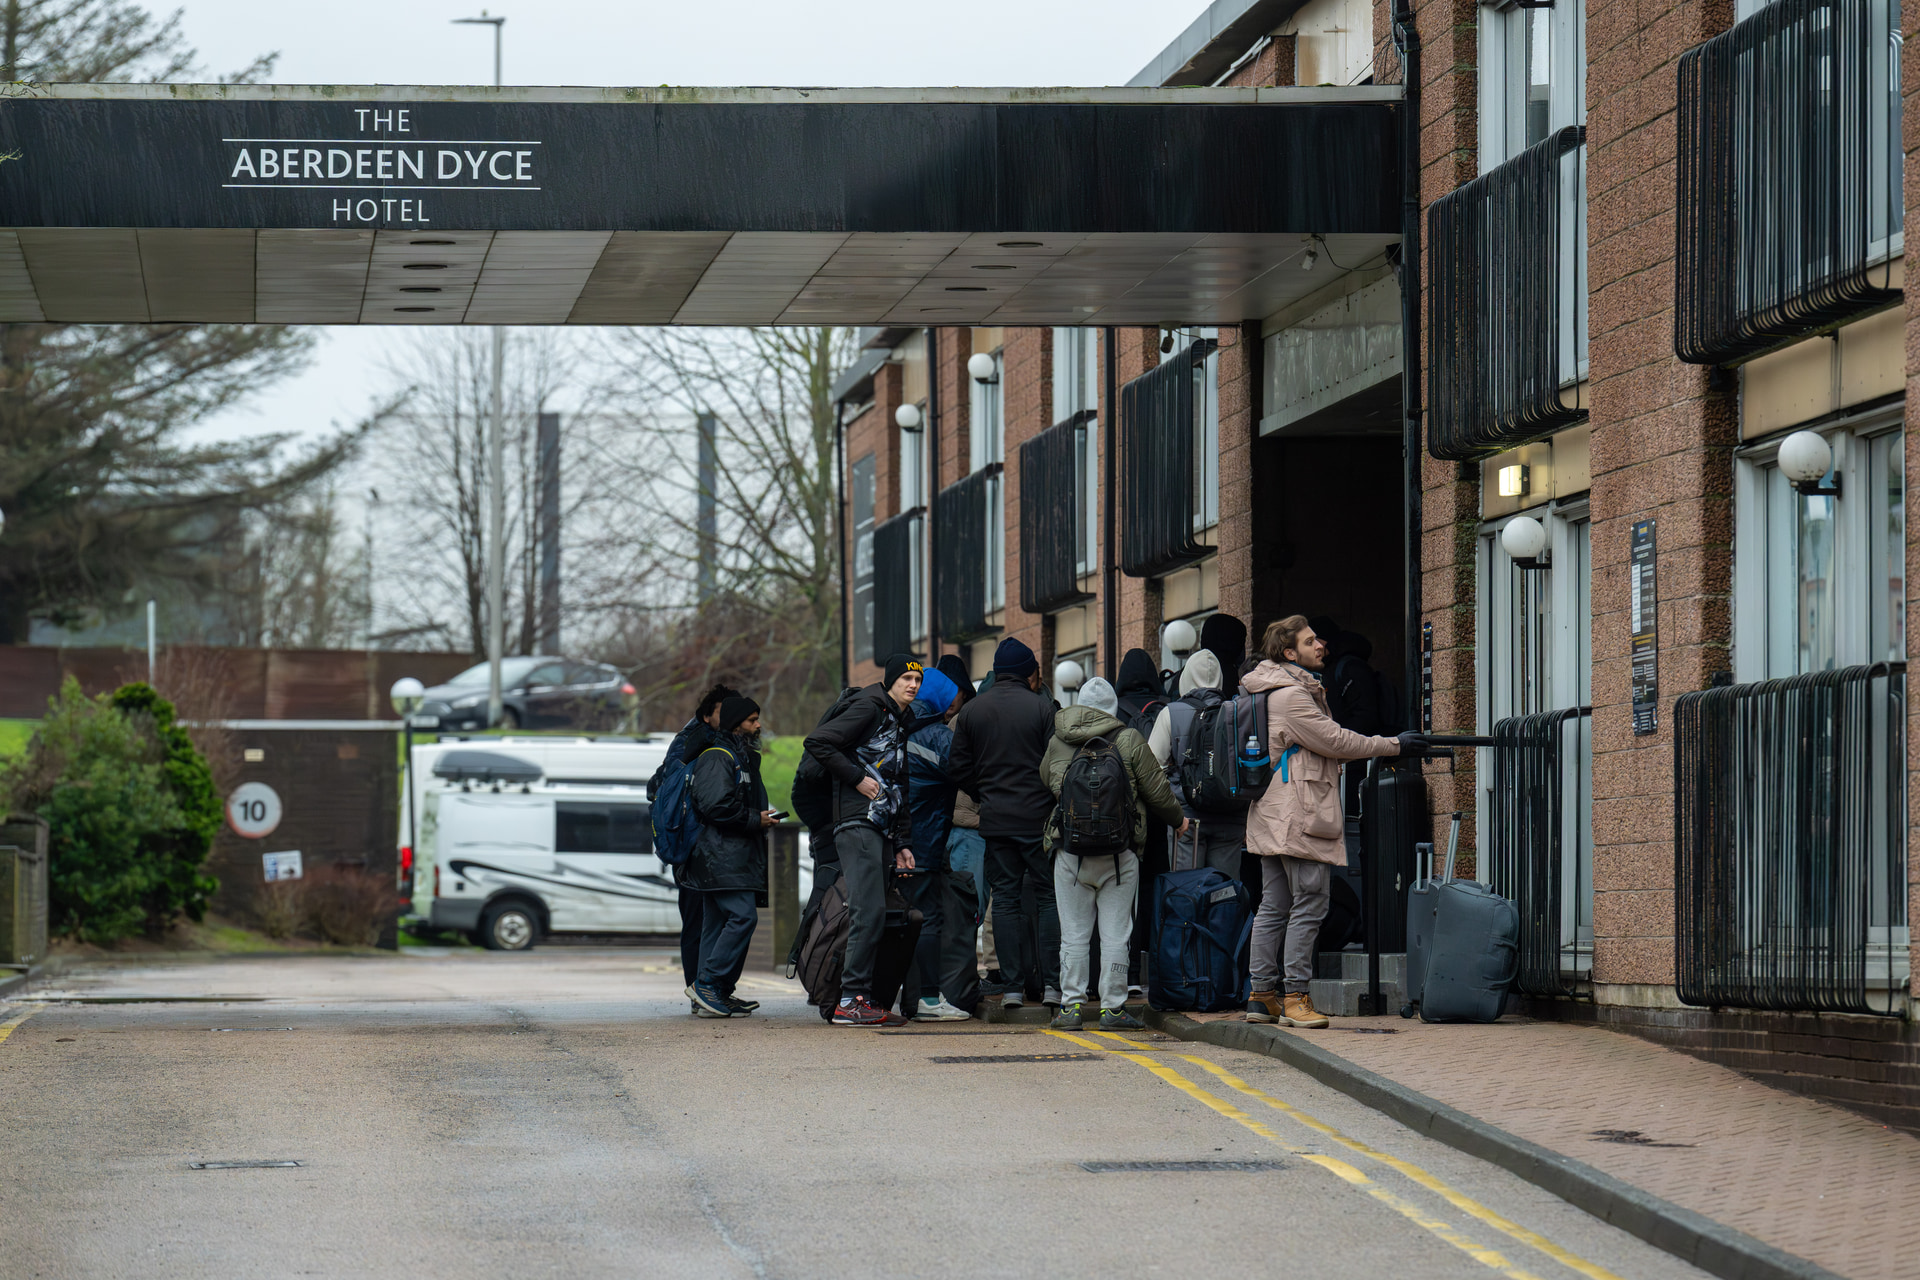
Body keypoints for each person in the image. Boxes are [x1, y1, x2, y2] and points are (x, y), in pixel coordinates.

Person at [1240, 617, 1415, 1028]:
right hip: (1298, 813)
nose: (1321, 645)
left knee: (1275, 905)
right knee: (1310, 902)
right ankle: (1296, 996)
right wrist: (1394, 745)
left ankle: (1262, 996)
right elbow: (1335, 740)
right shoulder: (1290, 697)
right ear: (1289, 653)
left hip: (1274, 810)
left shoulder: (1271, 689)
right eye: (1309, 641)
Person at [1039, 676, 1187, 1031]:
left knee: (1073, 933)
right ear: (1112, 708)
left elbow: (1046, 778)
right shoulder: (1128, 739)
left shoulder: (1059, 740)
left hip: (1071, 853)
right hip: (1120, 854)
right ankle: (1113, 1009)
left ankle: (1071, 1007)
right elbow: (1157, 791)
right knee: (1116, 933)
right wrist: (1178, 821)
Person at [803, 653, 920, 1026]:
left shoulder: (899, 720)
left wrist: (902, 841)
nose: (913, 686)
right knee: (866, 911)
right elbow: (818, 742)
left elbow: (898, 784)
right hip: (857, 822)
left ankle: (858, 998)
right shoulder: (868, 707)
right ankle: (851, 1001)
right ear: (890, 682)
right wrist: (855, 777)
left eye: (917, 681)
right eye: (905, 679)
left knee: (873, 912)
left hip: (880, 827)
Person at [948, 636, 1060, 1009]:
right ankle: (1052, 986)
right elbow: (1055, 765)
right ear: (1030, 673)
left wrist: (983, 794)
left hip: (995, 821)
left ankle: (1011, 988)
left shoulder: (973, 712)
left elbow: (958, 767)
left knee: (1006, 900)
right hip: (1037, 821)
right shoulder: (1043, 709)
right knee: (1047, 898)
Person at [681, 695, 777, 1018]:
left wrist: (759, 817)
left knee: (716, 924)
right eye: (752, 720)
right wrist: (756, 819)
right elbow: (714, 805)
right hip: (721, 857)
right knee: (743, 917)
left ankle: (713, 994)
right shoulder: (718, 757)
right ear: (737, 725)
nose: (758, 725)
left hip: (727, 857)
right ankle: (708, 983)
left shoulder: (739, 756)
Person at [648, 682, 741, 1013]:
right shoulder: (697, 743)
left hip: (706, 845)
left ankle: (714, 989)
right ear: (707, 715)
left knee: (713, 918)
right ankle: (700, 991)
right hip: (694, 846)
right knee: (699, 919)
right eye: (723, 711)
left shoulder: (711, 740)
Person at [901, 662, 974, 1021]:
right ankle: (929, 999)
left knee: (900, 918)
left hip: (895, 839)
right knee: (928, 919)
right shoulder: (937, 736)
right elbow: (970, 774)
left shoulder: (896, 726)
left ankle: (900, 993)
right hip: (925, 841)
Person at [1146, 647, 1246, 877]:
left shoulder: (1171, 713)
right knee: (1224, 895)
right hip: (1231, 817)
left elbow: (1152, 770)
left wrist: (1176, 806)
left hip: (1187, 820)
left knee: (1187, 893)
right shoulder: (1237, 713)